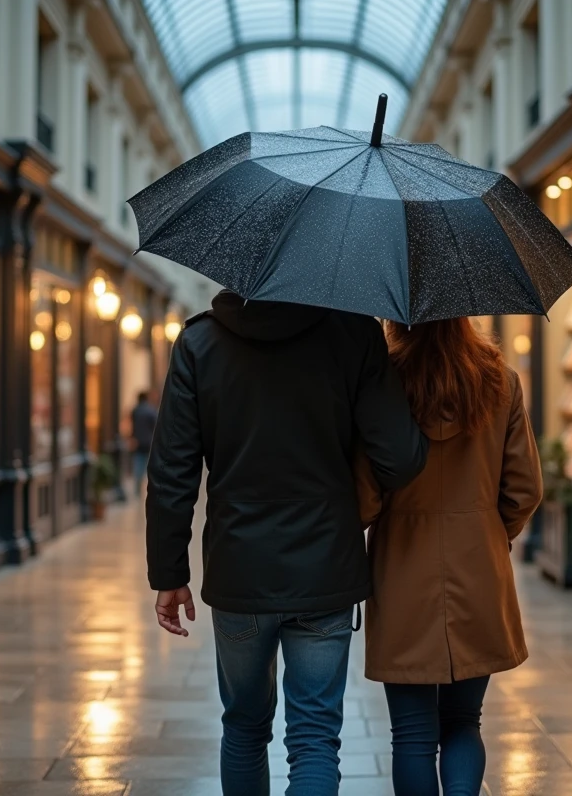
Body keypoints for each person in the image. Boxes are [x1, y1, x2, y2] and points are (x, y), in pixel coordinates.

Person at [146, 290, 429, 796]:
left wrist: (169, 574)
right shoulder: (353, 332)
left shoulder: (199, 342)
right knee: (316, 738)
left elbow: (172, 472)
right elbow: (401, 459)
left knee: (244, 728)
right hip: (326, 568)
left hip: (239, 570)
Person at [356, 318, 542, 796]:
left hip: (401, 571)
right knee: (464, 720)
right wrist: (490, 533)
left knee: (413, 734)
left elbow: (365, 499)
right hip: (479, 565)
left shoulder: (384, 380)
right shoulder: (500, 379)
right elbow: (524, 488)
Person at [130, 391, 158, 497]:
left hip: (138, 442)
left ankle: (137, 489)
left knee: (138, 466)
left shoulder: (135, 411)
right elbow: (156, 426)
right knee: (151, 466)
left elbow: (133, 427)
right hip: (149, 442)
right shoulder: (151, 411)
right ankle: (152, 488)